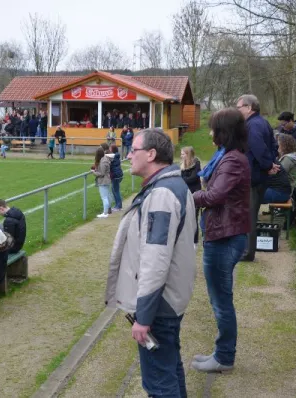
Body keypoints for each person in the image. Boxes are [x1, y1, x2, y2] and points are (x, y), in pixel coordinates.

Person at [105, 128, 196, 398]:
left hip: (160, 305)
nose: (129, 155)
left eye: (134, 150)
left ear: (152, 154)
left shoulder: (162, 195)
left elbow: (156, 261)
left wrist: (143, 317)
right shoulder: (173, 186)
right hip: (170, 299)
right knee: (169, 367)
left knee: (159, 383)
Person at [191, 107, 251, 373]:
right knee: (220, 299)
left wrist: (187, 196)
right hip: (223, 233)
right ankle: (221, 352)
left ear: (223, 132)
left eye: (213, 128)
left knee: (221, 301)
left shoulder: (232, 161)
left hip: (225, 237)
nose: (210, 132)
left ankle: (225, 357)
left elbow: (214, 196)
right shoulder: (228, 157)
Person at [236, 94, 278, 262]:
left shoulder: (252, 126)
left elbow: (259, 148)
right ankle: (246, 250)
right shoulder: (263, 122)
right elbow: (274, 146)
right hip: (259, 176)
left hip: (253, 177)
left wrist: (268, 165)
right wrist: (271, 164)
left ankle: (247, 252)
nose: (237, 110)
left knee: (249, 215)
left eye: (239, 107)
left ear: (248, 107)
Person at [180, 146, 202, 246]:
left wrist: (183, 180)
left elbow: (193, 178)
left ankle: (194, 241)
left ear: (188, 155)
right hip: (185, 194)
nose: (181, 156)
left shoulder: (196, 164)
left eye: (183, 154)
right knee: (184, 217)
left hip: (194, 194)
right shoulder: (181, 166)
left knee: (193, 217)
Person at [92, 147, 112, 218]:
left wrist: (94, 172)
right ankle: (108, 210)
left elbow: (102, 173)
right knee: (107, 195)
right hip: (106, 180)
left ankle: (105, 213)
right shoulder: (104, 159)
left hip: (103, 181)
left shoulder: (103, 161)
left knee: (104, 197)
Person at [109, 144, 124, 211]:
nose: (109, 149)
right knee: (114, 190)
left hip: (116, 175)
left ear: (113, 149)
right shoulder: (116, 156)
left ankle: (119, 206)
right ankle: (117, 205)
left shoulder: (113, 157)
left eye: (110, 148)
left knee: (116, 190)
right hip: (118, 175)